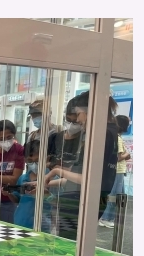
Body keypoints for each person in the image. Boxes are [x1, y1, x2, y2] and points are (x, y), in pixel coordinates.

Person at [44, 90, 119, 240]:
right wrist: (46, 183)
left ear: (90, 110)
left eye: (79, 114)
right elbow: (80, 178)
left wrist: (56, 171)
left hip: (82, 203)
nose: (78, 119)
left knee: (70, 244)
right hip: (84, 199)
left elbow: (88, 179)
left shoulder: (102, 134)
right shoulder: (108, 132)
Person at [10, 140, 59, 231]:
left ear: (47, 159)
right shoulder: (23, 178)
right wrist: (9, 194)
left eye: (37, 160)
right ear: (25, 160)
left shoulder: (54, 180)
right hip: (20, 223)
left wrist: (46, 194)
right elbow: (18, 200)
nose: (34, 164)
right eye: (30, 161)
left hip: (42, 227)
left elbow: (58, 204)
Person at [99, 115, 131, 228]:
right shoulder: (117, 138)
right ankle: (106, 217)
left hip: (118, 170)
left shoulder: (116, 137)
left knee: (118, 196)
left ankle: (107, 217)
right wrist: (127, 154)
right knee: (114, 196)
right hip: (117, 171)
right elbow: (118, 157)